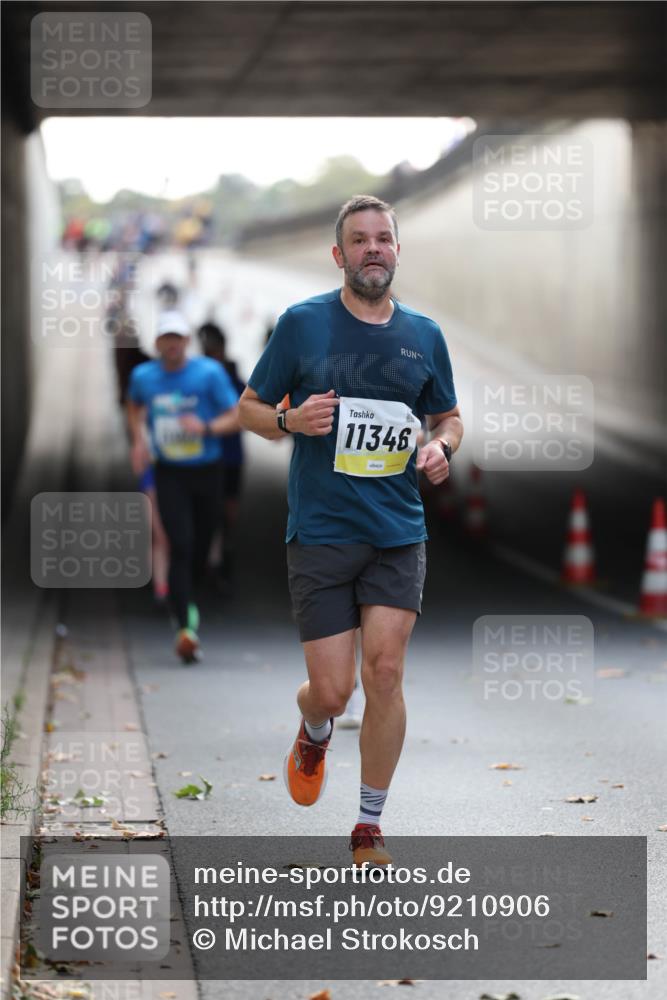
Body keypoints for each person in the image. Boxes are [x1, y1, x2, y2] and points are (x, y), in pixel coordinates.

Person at [239, 194, 463, 865]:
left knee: (385, 673)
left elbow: (448, 417)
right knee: (334, 692)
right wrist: (287, 422)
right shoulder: (302, 326)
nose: (373, 249)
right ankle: (314, 726)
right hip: (321, 530)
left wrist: (441, 449)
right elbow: (248, 407)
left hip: (397, 528)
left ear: (397, 250)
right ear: (339, 255)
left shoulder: (424, 335)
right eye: (359, 240)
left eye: (383, 239)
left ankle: (368, 825)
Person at [127, 310, 240, 663]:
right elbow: (133, 405)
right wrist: (138, 440)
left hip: (207, 471)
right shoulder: (144, 376)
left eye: (177, 338)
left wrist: (205, 428)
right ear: (158, 343)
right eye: (166, 339)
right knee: (180, 543)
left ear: (186, 341)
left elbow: (237, 415)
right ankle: (185, 628)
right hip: (169, 472)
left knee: (202, 544)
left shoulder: (208, 374)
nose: (172, 345)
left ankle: (186, 595)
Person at [198, 322, 246, 585]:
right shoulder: (199, 374)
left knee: (228, 514)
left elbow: (249, 409)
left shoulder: (231, 376)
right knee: (213, 514)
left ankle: (222, 558)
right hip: (210, 456)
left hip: (230, 456)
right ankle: (212, 563)